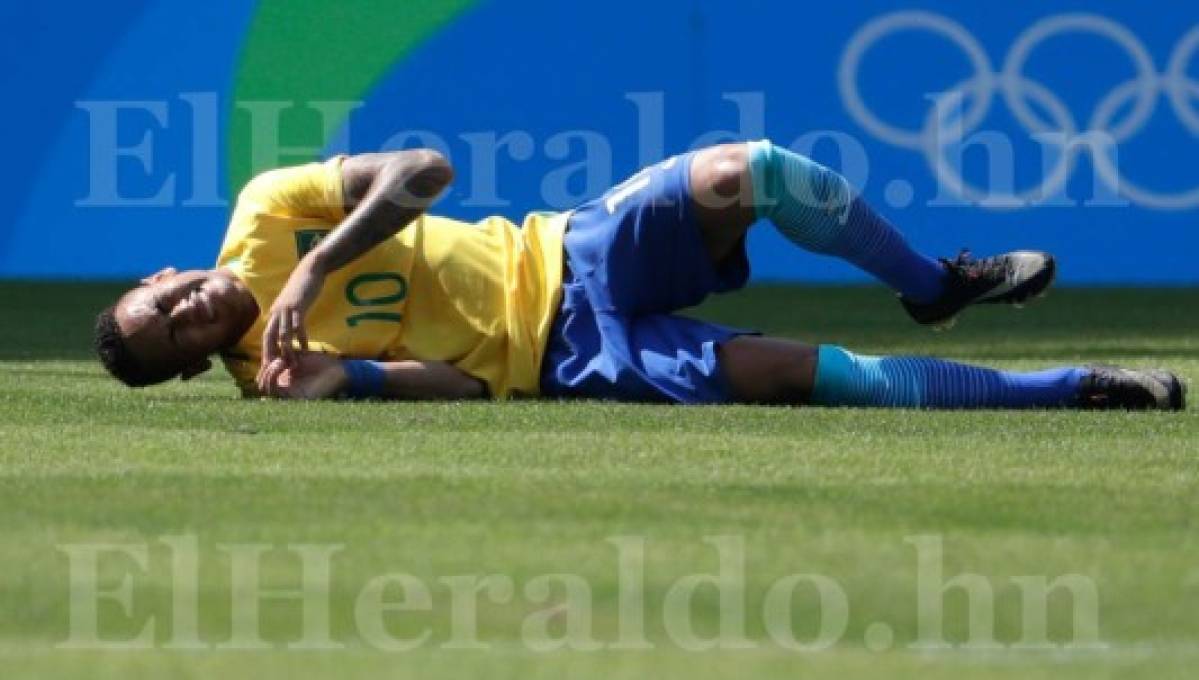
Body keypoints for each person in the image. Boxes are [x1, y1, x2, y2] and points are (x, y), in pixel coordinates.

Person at [94, 141, 1185, 411]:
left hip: (569, 247)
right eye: (178, 340)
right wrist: (362, 384)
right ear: (195, 369)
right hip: (572, 358)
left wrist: (316, 263)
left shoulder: (267, 213)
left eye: (168, 302)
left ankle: (928, 283)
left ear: (165, 271)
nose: (191, 318)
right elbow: (471, 389)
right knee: (812, 377)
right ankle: (1078, 387)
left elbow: (426, 169)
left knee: (748, 171)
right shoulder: (278, 381)